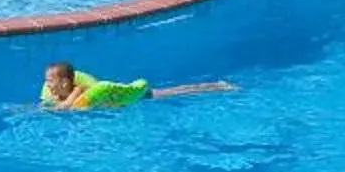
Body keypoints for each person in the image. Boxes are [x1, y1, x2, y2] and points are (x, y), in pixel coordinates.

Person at [38, 61, 235, 111]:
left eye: (50, 81)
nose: (47, 84)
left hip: (139, 97)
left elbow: (68, 109)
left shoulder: (78, 92)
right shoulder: (55, 94)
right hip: (120, 104)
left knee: (177, 92)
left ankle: (216, 86)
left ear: (64, 82)